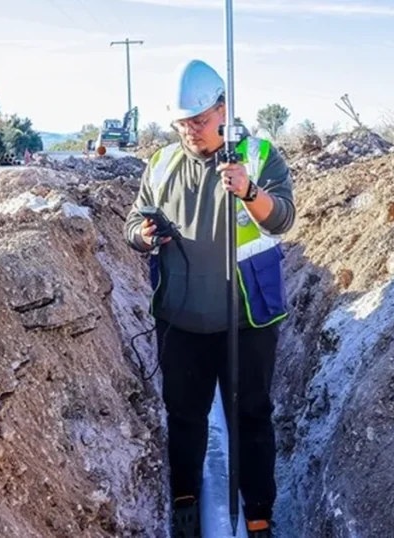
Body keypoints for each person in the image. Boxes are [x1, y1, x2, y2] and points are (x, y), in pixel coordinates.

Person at [123, 59, 295, 538]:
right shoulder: (161, 164)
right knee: (184, 417)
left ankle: (258, 513)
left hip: (248, 317)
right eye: (183, 123)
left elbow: (281, 218)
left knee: (252, 417)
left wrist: (248, 190)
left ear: (223, 109)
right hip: (181, 318)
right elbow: (132, 221)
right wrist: (142, 234)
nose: (191, 131)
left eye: (199, 121)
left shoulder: (258, 156)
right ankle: (185, 503)